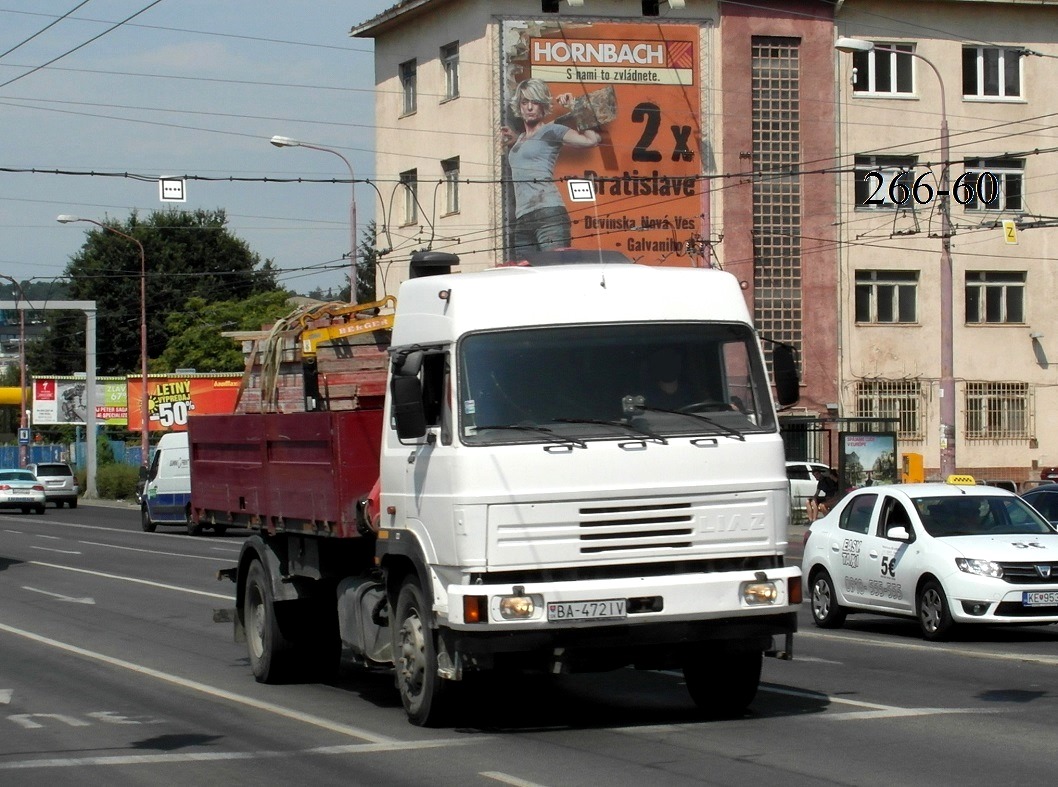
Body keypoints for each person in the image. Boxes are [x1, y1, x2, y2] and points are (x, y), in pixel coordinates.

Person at [500, 79, 602, 258]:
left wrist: (576, 106)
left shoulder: (552, 130)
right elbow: (529, 156)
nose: (529, 107)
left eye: (535, 102)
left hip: (548, 213)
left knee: (554, 269)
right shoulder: (521, 139)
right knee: (524, 276)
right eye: (524, 102)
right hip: (522, 218)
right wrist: (514, 139)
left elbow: (591, 140)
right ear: (519, 106)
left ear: (543, 105)